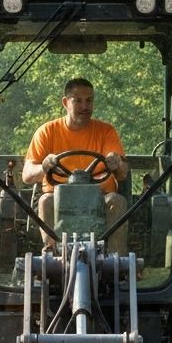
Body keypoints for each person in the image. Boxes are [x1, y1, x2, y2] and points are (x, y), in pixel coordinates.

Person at [22, 77, 129, 255]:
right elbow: (27, 175)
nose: (85, 106)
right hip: (59, 199)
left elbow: (123, 173)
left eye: (89, 100)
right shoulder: (47, 132)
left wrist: (116, 162)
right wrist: (44, 167)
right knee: (46, 201)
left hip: (100, 199)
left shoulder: (106, 131)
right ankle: (52, 255)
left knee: (117, 202)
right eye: (78, 101)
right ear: (65, 102)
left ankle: (117, 261)